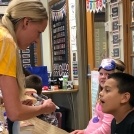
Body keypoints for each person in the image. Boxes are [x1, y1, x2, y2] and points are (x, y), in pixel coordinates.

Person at [0, 0, 56, 133]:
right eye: (38, 32)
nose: (37, 40)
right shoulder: (6, 41)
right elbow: (15, 113)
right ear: (26, 22)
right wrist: (44, 108)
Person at [70, 58, 125, 134]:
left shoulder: (113, 99)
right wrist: (85, 131)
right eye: (101, 74)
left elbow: (107, 129)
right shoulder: (102, 94)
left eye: (108, 74)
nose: (103, 77)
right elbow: (96, 119)